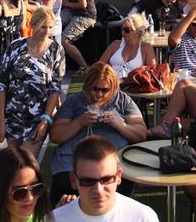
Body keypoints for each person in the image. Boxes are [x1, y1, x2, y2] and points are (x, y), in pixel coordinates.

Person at [49, 63, 146, 204]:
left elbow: (141, 133)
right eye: (95, 89)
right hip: (73, 160)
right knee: (64, 188)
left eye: (105, 90)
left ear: (113, 88)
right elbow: (56, 135)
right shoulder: (74, 102)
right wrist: (79, 122)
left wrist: (119, 125)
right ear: (87, 85)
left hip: (113, 159)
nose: (99, 94)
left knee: (121, 184)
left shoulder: (123, 100)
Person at [146, 6, 196, 137]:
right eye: (195, 25)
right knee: (183, 84)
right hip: (191, 84)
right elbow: (172, 39)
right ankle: (166, 125)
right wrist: (191, 15)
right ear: (189, 24)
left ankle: (166, 125)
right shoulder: (182, 39)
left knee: (166, 119)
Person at [0, 6, 65, 153]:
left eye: (50, 27)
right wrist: (0, 122)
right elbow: (1, 85)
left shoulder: (56, 50)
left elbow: (55, 88)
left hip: (38, 117)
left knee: (29, 166)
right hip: (12, 116)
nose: (46, 32)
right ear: (32, 25)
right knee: (15, 165)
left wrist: (46, 120)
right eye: (42, 27)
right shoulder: (15, 47)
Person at [52, 136, 159, 222]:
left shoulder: (143, 217)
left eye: (106, 179)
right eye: (88, 181)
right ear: (73, 180)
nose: (98, 190)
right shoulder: (55, 219)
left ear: (118, 176)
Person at [0, 146, 54, 222]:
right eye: (20, 192)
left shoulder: (32, 216)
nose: (30, 198)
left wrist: (60, 210)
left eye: (36, 189)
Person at [61, 0, 96, 75]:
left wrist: (67, 3)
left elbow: (83, 4)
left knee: (63, 41)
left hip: (84, 16)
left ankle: (85, 67)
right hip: (80, 14)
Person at [97, 13, 156, 79]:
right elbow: (99, 66)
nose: (123, 33)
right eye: (122, 29)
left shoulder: (146, 48)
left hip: (134, 87)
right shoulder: (115, 44)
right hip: (113, 85)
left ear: (137, 31)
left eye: (126, 30)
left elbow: (153, 74)